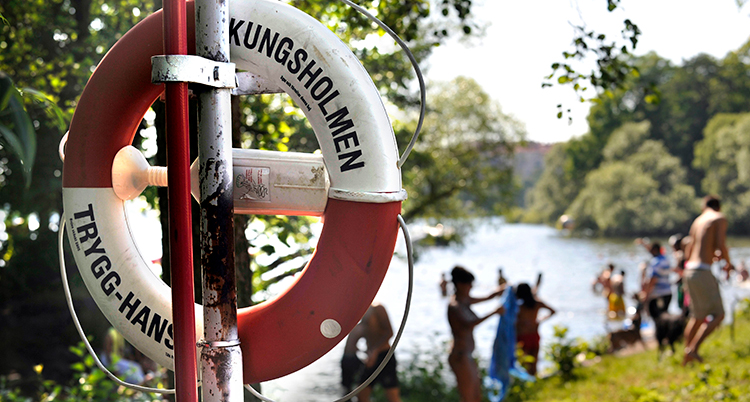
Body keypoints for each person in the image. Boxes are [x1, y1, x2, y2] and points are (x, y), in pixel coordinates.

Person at [682, 195, 732, 365]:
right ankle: (692, 350)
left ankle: (686, 356)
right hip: (702, 271)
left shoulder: (698, 220)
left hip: (689, 270)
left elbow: (689, 250)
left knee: (697, 317)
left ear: (704, 206)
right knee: (719, 314)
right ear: (718, 206)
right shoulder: (718, 218)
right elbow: (721, 244)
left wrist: (712, 256)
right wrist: (728, 263)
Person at [447, 266, 505, 402]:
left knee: (476, 397)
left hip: (467, 356)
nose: (471, 287)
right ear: (460, 285)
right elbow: (470, 323)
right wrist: (494, 312)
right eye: (469, 284)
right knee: (468, 398)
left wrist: (503, 289)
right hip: (460, 356)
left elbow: (488, 297)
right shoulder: (455, 305)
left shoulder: (465, 300)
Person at [352, 303, 402, 402]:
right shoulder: (359, 312)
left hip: (385, 356)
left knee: (392, 397)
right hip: (371, 358)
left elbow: (390, 332)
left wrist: (375, 351)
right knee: (361, 395)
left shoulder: (378, 309)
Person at [515, 283, 555, 376]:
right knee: (534, 362)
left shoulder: (518, 306)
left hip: (522, 336)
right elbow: (553, 311)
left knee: (525, 364)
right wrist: (539, 320)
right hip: (534, 335)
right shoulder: (537, 303)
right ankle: (534, 380)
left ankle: (528, 384)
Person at [636, 239, 673, 319]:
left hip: (658, 295)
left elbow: (653, 279)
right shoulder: (666, 259)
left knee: (657, 318)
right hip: (668, 293)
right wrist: (643, 243)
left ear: (655, 250)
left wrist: (646, 294)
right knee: (664, 317)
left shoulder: (655, 262)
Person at [340, 325, 365, 394]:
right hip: (350, 359)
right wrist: (365, 351)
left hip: (345, 358)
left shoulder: (356, 327)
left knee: (347, 385)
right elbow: (353, 347)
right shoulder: (362, 328)